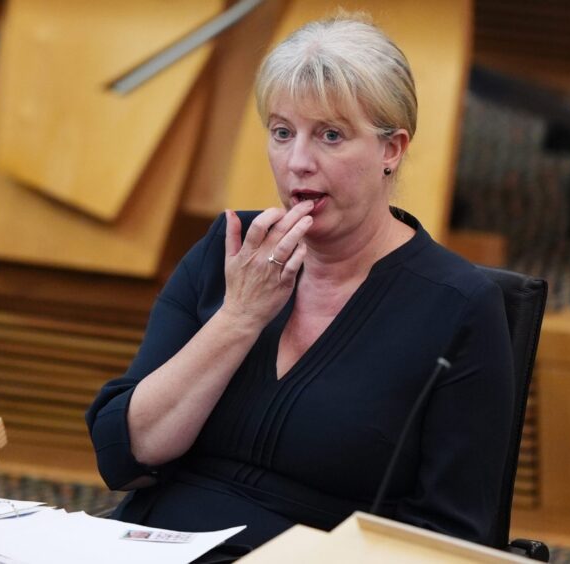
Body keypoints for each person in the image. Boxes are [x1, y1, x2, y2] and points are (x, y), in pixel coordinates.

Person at [86, 13, 514, 551]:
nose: (298, 163)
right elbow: (124, 455)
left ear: (392, 149)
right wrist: (238, 318)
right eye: (282, 133)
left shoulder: (459, 307)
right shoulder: (229, 250)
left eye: (330, 136)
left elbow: (451, 539)